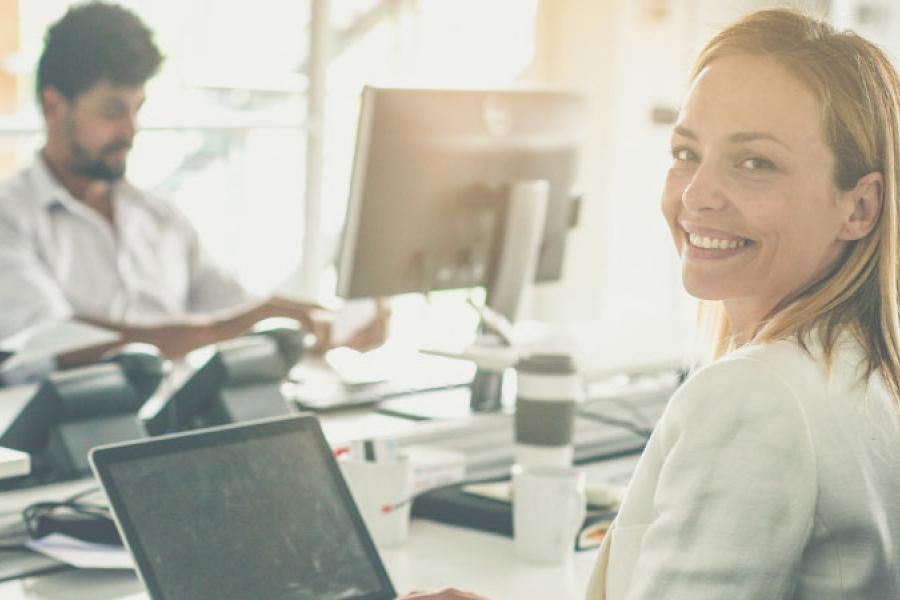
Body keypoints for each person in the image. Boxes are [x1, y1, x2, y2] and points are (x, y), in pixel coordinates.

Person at [399, 8, 900, 600]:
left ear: (860, 208)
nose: (696, 194)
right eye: (687, 152)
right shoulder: (858, 366)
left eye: (754, 163)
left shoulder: (757, 395)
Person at [0, 3, 387, 379]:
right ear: (54, 106)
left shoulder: (159, 215)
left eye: (138, 108)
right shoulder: (11, 217)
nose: (130, 129)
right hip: (76, 432)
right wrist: (240, 324)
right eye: (113, 111)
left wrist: (320, 325)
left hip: (184, 422)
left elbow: (236, 309)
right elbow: (50, 342)